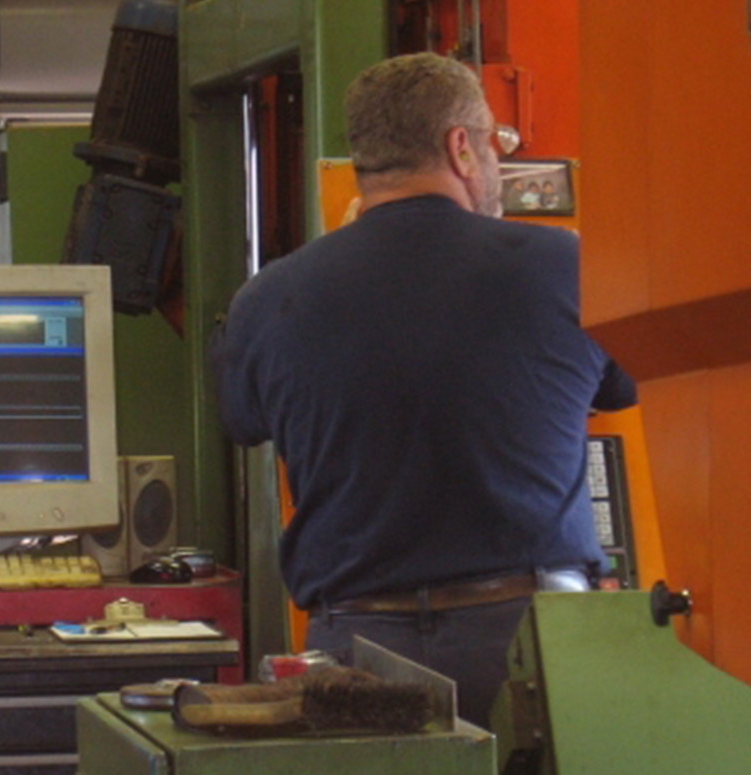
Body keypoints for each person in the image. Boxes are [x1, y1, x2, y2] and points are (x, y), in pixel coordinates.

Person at [211, 52, 637, 727]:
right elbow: (622, 385)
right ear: (461, 147)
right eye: (496, 143)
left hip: (354, 659)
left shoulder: (268, 299)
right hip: (529, 647)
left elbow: (244, 420)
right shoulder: (565, 268)